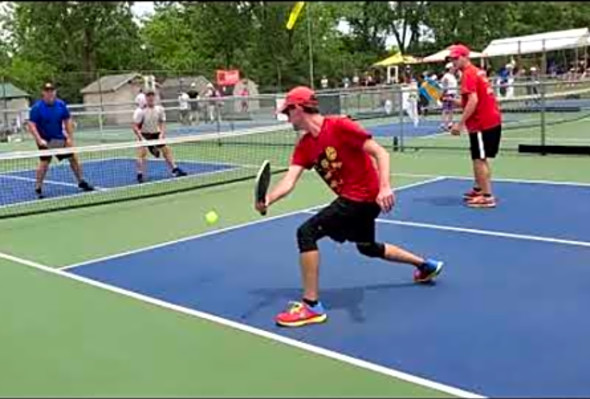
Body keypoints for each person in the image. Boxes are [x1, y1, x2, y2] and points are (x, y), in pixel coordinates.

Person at [256, 86, 444, 328]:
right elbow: (289, 181)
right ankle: (425, 266)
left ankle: (311, 306)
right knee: (367, 248)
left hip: (362, 197)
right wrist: (268, 199)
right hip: (360, 202)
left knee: (306, 233)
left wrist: (385, 186)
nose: (285, 117)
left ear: (300, 108)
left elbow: (380, 152)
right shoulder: (304, 146)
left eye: (287, 112)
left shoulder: (339, 126)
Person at [449, 44, 502, 209]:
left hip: (481, 123)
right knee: (478, 157)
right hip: (489, 120)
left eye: (456, 58)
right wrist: (453, 101)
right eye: (452, 59)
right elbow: (471, 101)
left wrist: (460, 123)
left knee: (479, 159)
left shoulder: (468, 74)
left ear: (465, 57)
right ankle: (479, 189)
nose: (454, 61)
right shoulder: (477, 72)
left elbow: (473, 101)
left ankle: (487, 196)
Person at [28, 82, 94, 199]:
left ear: (55, 92)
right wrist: (39, 139)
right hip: (45, 140)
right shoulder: (37, 108)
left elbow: (67, 120)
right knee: (44, 163)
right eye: (47, 91)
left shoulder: (61, 105)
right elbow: (32, 125)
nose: (50, 93)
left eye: (52, 90)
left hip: (58, 139)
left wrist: (69, 137)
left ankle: (81, 181)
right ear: (43, 93)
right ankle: (38, 187)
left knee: (73, 158)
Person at [132, 88, 187, 183]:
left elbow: (162, 123)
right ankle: (140, 174)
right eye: (148, 96)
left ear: (155, 97)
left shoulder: (159, 109)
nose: (150, 97)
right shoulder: (140, 111)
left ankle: (175, 169)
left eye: (152, 95)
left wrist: (162, 134)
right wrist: (141, 138)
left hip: (156, 134)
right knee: (142, 154)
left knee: (167, 151)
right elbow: (135, 126)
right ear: (145, 97)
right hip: (144, 135)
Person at [440, 62, 458, 131]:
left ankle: (450, 123)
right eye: (452, 67)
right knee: (445, 109)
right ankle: (443, 124)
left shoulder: (452, 76)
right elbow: (444, 84)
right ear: (449, 68)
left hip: (452, 94)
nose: (454, 69)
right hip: (447, 93)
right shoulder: (446, 76)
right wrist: (444, 94)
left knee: (451, 109)